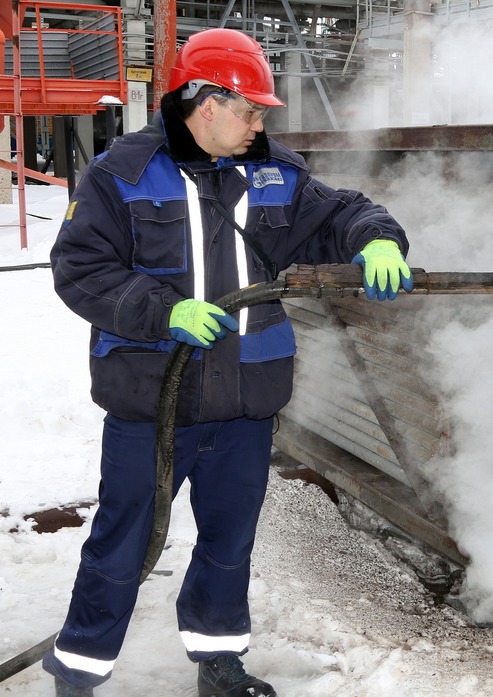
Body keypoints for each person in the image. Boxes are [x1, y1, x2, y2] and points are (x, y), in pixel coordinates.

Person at [44, 27, 412, 697]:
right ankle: (77, 673)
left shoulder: (274, 173)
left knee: (228, 543)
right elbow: (78, 268)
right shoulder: (121, 175)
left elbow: (344, 213)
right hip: (151, 402)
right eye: (248, 109)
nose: (258, 122)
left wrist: (378, 240)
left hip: (244, 406)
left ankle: (218, 663)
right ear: (203, 102)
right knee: (122, 544)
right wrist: (162, 309)